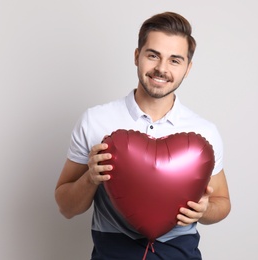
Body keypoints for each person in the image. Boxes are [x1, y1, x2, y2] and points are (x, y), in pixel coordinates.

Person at [55, 12, 231, 259]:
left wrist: (204, 211)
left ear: (187, 68)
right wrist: (90, 179)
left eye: (175, 60)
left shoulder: (203, 133)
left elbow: (222, 203)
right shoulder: (95, 121)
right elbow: (65, 207)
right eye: (153, 55)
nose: (161, 69)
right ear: (137, 56)